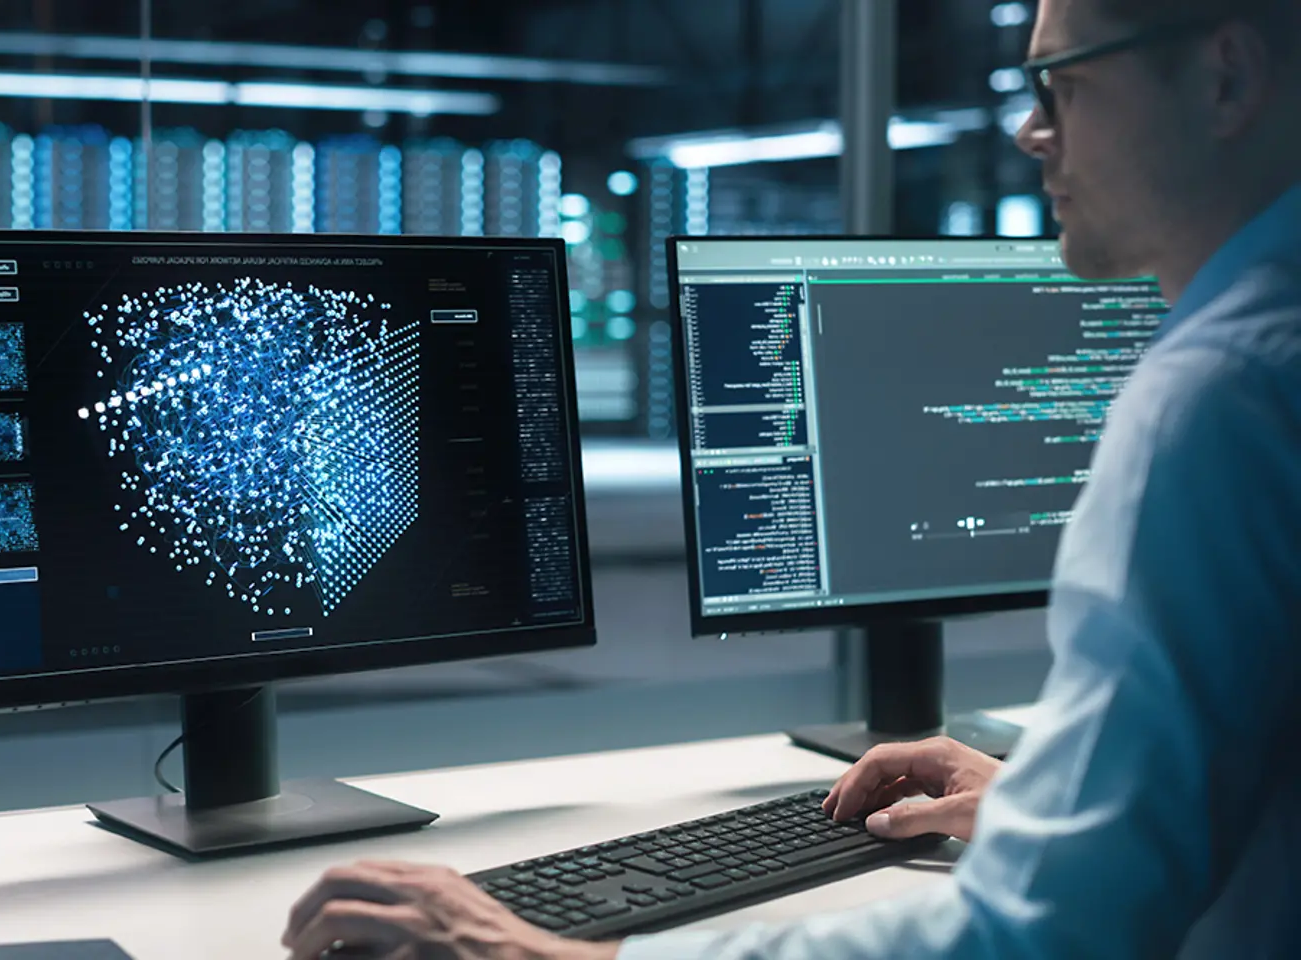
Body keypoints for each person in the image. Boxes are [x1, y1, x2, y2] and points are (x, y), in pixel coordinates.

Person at [281, 0, 1301, 955]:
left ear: (1225, 79)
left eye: (1058, 85)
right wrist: (1062, 805)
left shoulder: (1219, 399)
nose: (1030, 133)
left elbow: (1032, 939)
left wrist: (552, 951)